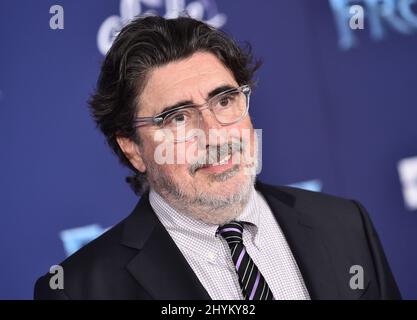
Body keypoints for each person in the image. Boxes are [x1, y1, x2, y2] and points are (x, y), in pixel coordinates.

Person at [34, 15, 401, 300]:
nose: (214, 134)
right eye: (177, 117)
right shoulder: (81, 289)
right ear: (133, 148)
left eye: (224, 101)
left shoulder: (345, 224)